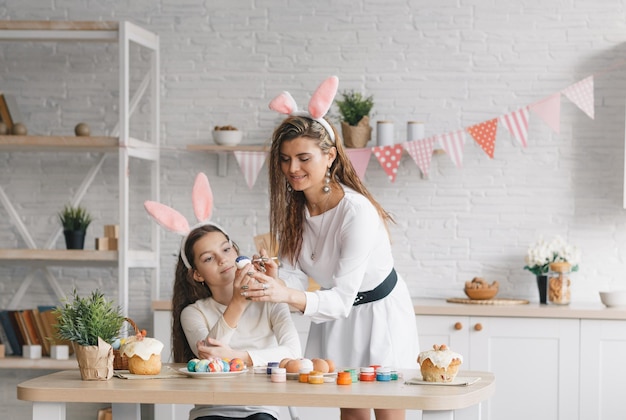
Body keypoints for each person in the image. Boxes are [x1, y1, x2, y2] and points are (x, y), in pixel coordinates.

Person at [245, 76, 420, 420]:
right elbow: (297, 277)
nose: (292, 169)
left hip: (378, 316)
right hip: (335, 316)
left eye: (303, 158)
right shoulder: (296, 210)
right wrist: (275, 280)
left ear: (329, 157)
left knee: (387, 410)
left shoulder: (356, 213)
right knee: (351, 413)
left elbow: (340, 298)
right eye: (284, 159)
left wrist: (284, 294)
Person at [144, 173, 302, 420]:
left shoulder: (269, 301)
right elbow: (208, 353)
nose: (222, 259)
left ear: (237, 251)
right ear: (197, 274)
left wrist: (240, 357)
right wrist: (238, 303)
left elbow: (293, 351)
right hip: (211, 412)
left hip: (261, 410)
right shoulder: (193, 312)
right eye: (208, 258)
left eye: (226, 249)